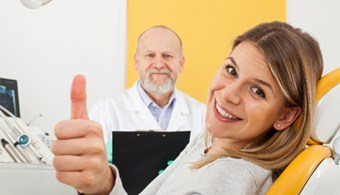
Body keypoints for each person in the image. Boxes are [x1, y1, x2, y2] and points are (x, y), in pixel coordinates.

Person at [51, 21, 324, 194]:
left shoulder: (228, 177)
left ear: (286, 115)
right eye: (231, 70)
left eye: (257, 90)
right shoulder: (211, 141)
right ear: (136, 61)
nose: (228, 94)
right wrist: (103, 184)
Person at [90, 25, 206, 149]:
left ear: (181, 63)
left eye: (167, 56)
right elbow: (90, 163)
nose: (159, 64)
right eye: (150, 55)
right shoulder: (105, 110)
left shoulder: (202, 115)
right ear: (136, 62)